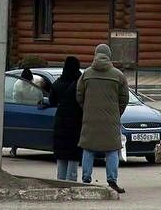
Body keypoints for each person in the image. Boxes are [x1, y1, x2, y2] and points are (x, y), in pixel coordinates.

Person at [76, 43, 128, 194]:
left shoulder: (86, 74)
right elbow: (124, 97)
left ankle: (86, 179)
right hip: (111, 119)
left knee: (88, 148)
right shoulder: (118, 75)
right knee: (112, 150)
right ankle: (112, 181)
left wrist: (86, 109)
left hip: (90, 118)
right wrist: (117, 112)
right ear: (109, 56)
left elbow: (79, 95)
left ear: (95, 55)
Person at [48, 55, 83, 182]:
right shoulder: (80, 82)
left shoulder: (57, 83)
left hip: (60, 121)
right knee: (73, 154)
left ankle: (60, 180)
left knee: (61, 153)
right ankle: (71, 181)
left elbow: (52, 100)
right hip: (76, 121)